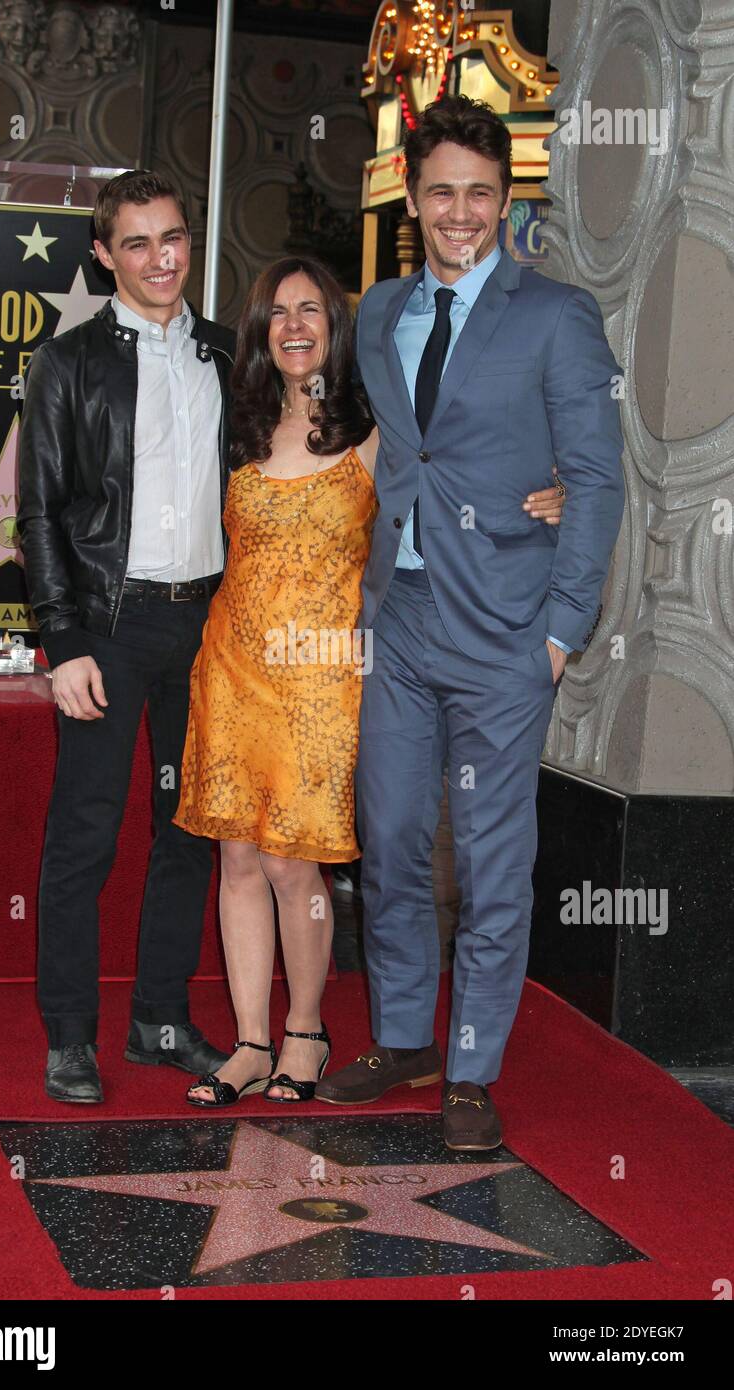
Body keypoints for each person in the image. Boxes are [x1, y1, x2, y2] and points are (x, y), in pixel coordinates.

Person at [172, 255, 566, 1107]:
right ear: (261, 331)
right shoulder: (238, 424)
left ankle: (305, 1033)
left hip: (322, 680)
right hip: (234, 669)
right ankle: (247, 1041)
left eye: (312, 310)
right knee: (236, 857)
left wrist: (556, 487)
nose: (295, 326)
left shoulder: (374, 427)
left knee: (290, 865)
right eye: (278, 313)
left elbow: (466, 451)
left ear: (337, 328)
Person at [314, 95, 625, 1150]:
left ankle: (471, 1064)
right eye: (440, 191)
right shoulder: (380, 307)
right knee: (390, 837)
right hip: (397, 619)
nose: (460, 212)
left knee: (492, 858)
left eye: (480, 195)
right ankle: (403, 1033)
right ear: (412, 195)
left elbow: (593, 478)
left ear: (505, 203)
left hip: (502, 631)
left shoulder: (554, 316)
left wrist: (558, 627)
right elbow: (405, 452)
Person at [17, 170, 233, 1103]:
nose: (161, 259)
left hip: (209, 628)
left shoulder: (231, 355)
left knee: (188, 830)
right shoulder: (65, 365)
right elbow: (40, 516)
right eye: (138, 243)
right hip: (108, 628)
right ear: (104, 255)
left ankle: (160, 1018)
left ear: (192, 242)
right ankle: (70, 1033)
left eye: (174, 238)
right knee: (86, 836)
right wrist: (62, 641)